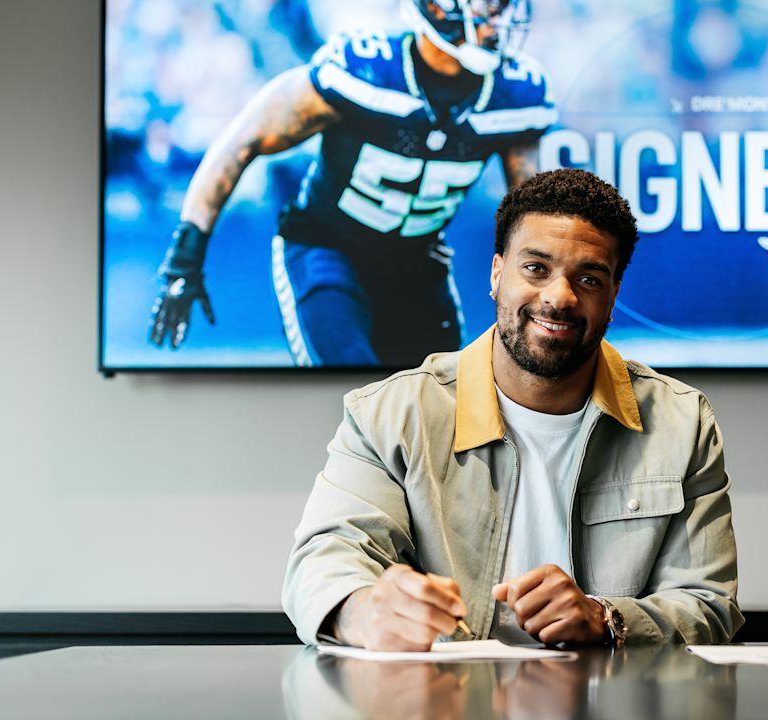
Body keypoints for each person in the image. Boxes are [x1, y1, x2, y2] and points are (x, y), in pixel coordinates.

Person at [283, 169, 741, 649]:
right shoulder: (390, 415)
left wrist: (606, 619)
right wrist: (363, 612)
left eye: (588, 278)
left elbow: (708, 605)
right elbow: (322, 564)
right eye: (536, 268)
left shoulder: (682, 423)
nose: (559, 297)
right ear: (497, 273)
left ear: (612, 298)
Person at [147, 0, 552, 367]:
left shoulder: (515, 94)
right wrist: (186, 255)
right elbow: (243, 139)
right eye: (489, 8)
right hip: (327, 249)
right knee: (348, 384)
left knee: (438, 405)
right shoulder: (366, 68)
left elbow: (528, 211)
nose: (501, 21)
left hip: (417, 262)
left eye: (505, 8)